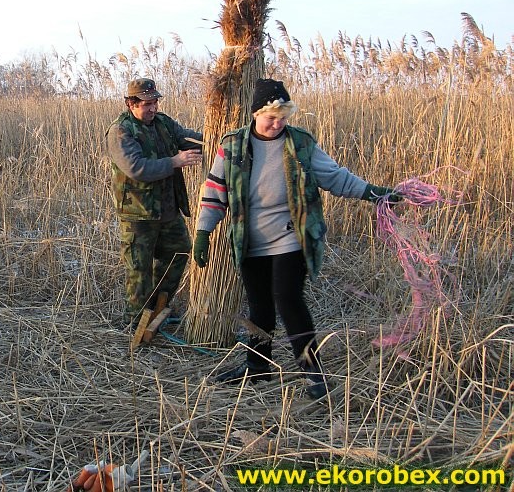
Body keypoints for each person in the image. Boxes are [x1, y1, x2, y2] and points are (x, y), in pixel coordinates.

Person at [192, 78, 401, 399]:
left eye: (283, 117)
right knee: (259, 306)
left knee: (287, 299)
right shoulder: (232, 146)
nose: (277, 124)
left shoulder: (300, 144)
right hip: (249, 241)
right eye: (270, 118)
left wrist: (373, 193)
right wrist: (204, 231)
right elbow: (215, 191)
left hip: (291, 237)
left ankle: (312, 371)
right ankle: (257, 366)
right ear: (255, 114)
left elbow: (335, 177)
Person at [106, 77, 203, 327]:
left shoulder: (163, 123)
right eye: (147, 104)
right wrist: (175, 161)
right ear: (131, 104)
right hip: (138, 214)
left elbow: (189, 139)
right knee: (139, 269)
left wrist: (219, 138)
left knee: (179, 251)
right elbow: (136, 168)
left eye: (155, 102)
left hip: (168, 210)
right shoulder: (121, 130)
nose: (153, 108)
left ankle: (160, 309)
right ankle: (136, 323)